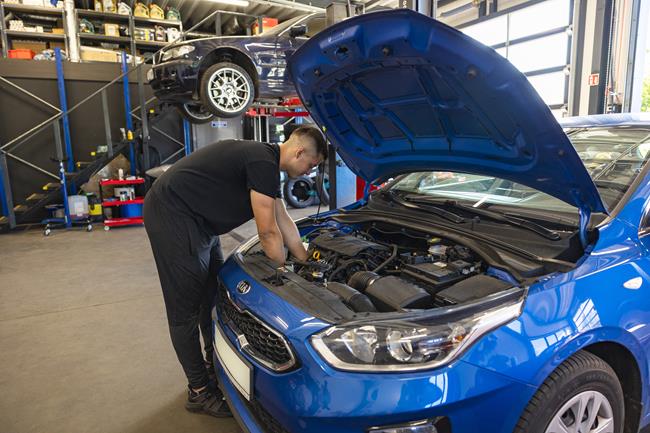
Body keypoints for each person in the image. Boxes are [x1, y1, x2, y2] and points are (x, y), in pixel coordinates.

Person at [143, 126, 327, 417]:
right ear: (299, 151)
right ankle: (199, 392)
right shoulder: (261, 161)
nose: (307, 172)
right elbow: (267, 232)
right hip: (173, 215)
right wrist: (282, 273)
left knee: (211, 294)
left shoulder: (265, 163)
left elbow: (284, 221)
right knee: (185, 310)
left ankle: (211, 365)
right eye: (311, 165)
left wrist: (304, 262)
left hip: (201, 222)